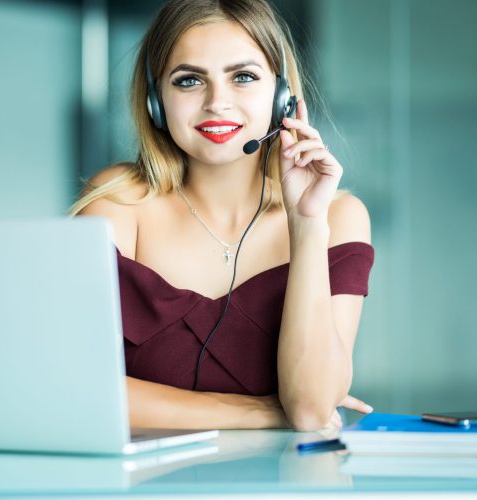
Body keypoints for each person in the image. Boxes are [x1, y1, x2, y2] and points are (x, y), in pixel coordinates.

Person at [71, 0, 374, 432]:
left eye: (243, 77)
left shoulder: (337, 215)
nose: (217, 102)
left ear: (282, 97)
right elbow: (78, 392)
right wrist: (260, 411)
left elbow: (309, 410)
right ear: (157, 100)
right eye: (190, 80)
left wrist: (306, 224)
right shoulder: (116, 204)